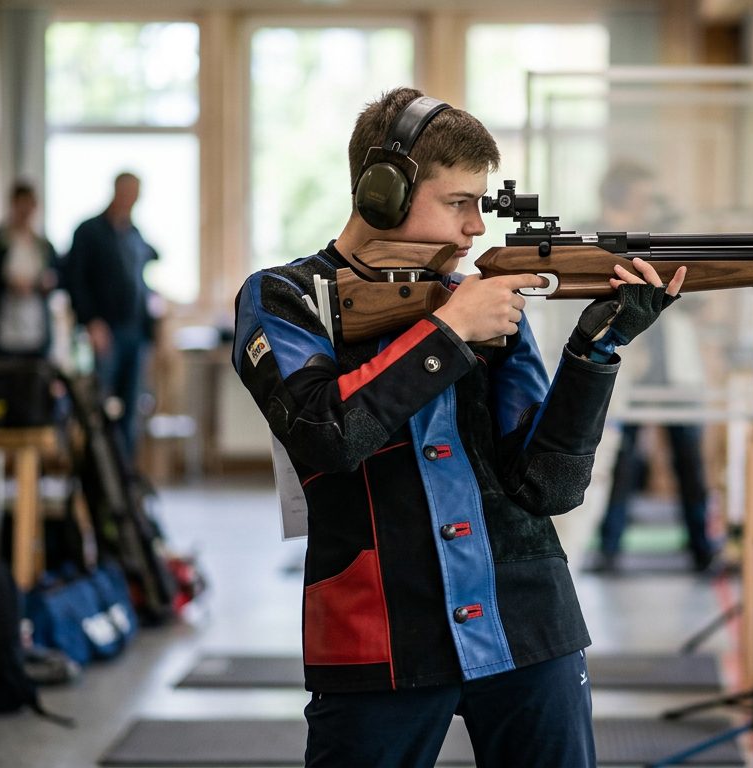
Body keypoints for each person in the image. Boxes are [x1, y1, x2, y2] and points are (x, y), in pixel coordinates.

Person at [232, 87, 686, 768]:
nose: (477, 227)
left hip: (530, 623)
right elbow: (326, 433)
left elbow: (548, 486)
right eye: (459, 202)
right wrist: (449, 331)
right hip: (376, 633)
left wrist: (595, 352)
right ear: (380, 192)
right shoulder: (284, 297)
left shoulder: (484, 302)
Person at [589, 161, 717, 574]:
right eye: (641, 195)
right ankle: (608, 548)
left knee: (689, 462)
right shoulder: (597, 237)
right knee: (621, 463)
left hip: (672, 373)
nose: (649, 204)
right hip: (627, 369)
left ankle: (702, 549)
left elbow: (696, 299)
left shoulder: (661, 238)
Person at [63, 172, 157, 463]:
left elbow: (140, 281)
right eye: (127, 191)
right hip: (105, 331)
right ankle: (99, 477)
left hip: (135, 332)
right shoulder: (89, 231)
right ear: (116, 191)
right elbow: (74, 280)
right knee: (99, 410)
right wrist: (91, 321)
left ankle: (124, 481)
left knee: (131, 409)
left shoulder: (134, 234)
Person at [0, 181, 60, 360]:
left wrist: (45, 283)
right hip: (2, 331)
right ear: (12, 204)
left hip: (36, 333)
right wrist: (6, 282)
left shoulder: (43, 245)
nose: (25, 211)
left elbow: (59, 277)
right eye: (21, 205)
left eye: (29, 205)